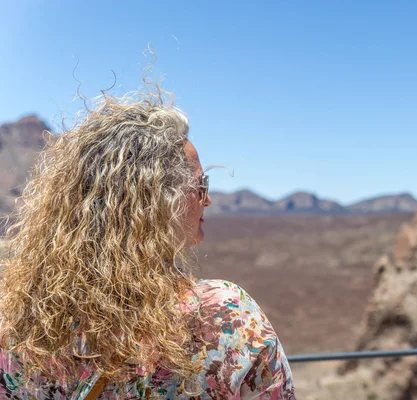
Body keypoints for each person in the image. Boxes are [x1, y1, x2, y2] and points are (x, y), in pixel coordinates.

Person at [0, 88, 296, 399]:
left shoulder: (17, 327)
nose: (207, 200)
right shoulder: (223, 315)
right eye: (200, 185)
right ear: (156, 202)